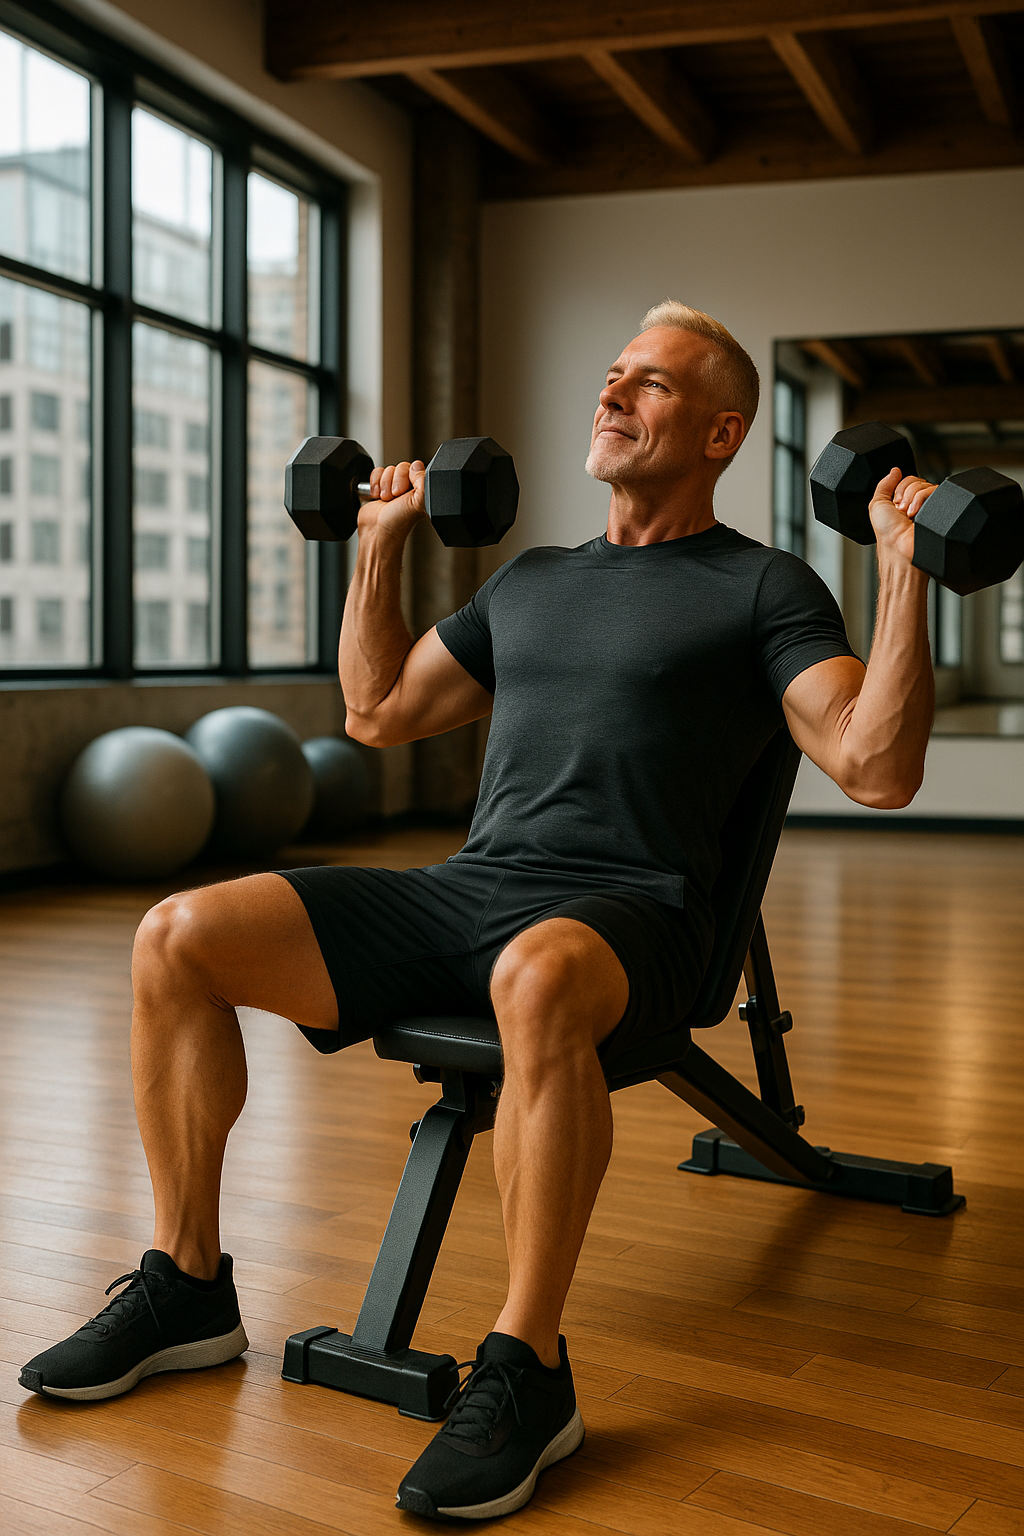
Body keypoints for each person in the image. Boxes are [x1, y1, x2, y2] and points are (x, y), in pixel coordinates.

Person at [20, 302, 936, 1520]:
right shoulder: (534, 579)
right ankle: (187, 1286)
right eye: (611, 376)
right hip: (471, 892)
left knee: (540, 976)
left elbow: (874, 768)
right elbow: (379, 712)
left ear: (721, 433)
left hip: (636, 918)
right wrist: (382, 538)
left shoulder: (764, 587)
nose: (612, 397)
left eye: (649, 385)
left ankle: (528, 1367)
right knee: (176, 936)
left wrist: (903, 571)